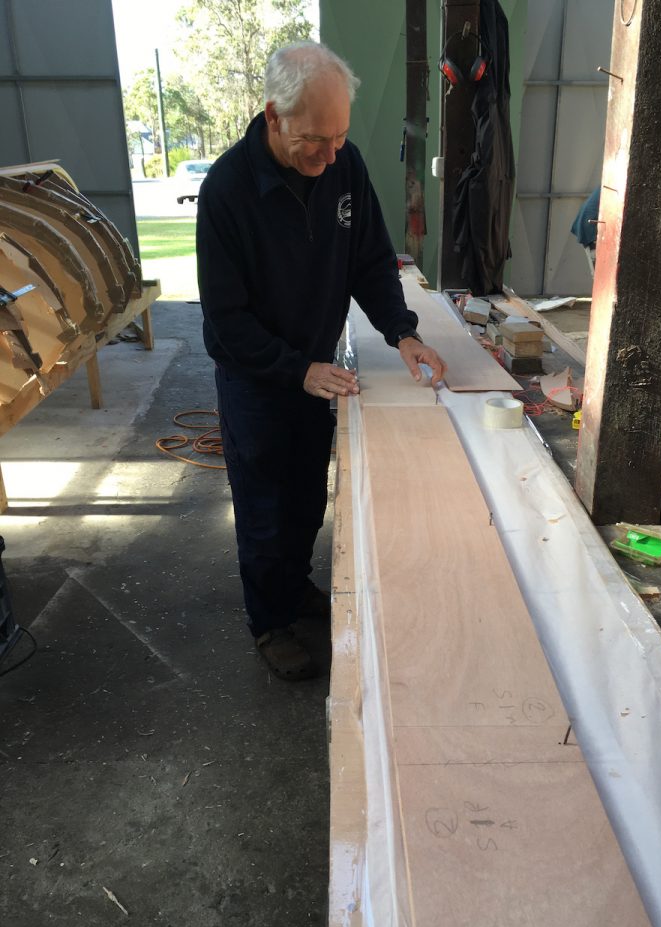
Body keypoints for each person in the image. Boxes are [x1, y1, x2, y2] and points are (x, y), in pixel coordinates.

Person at [196, 41, 446, 682]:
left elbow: (370, 260)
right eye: (315, 139)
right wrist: (294, 369)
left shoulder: (345, 168)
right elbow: (226, 323)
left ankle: (294, 585)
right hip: (256, 377)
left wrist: (403, 332)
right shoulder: (227, 191)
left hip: (316, 367)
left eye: (339, 137)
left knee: (308, 494)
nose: (329, 154)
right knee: (263, 502)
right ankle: (269, 622)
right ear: (275, 116)